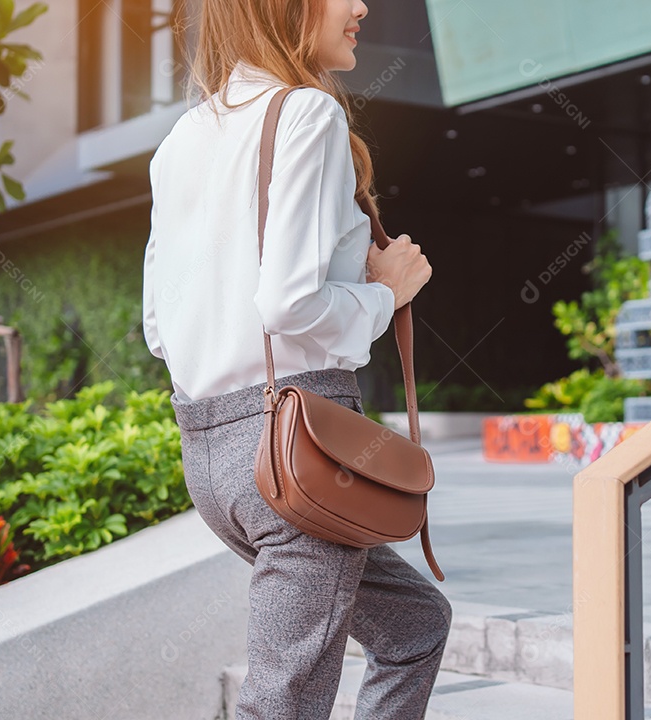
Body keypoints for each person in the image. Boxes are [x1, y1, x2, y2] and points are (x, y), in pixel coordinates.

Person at [140, 0, 452, 717]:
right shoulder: (308, 114)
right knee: (281, 704)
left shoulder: (180, 141)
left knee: (414, 626)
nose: (361, 7)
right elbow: (287, 305)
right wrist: (385, 292)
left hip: (212, 460)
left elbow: (159, 327)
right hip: (297, 453)